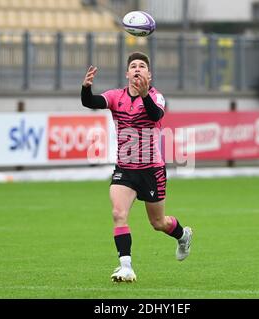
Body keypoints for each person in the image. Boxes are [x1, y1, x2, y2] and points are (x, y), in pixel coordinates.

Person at [81, 52, 193, 282]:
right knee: (118, 213)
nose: (137, 69)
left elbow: (155, 115)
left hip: (152, 170)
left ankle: (183, 235)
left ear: (149, 75)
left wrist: (144, 95)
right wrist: (86, 88)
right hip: (125, 169)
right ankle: (126, 267)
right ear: (127, 73)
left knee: (158, 223)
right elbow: (90, 102)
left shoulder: (156, 97)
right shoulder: (116, 96)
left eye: (142, 66)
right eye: (133, 66)